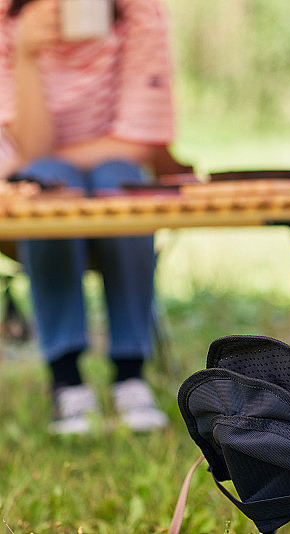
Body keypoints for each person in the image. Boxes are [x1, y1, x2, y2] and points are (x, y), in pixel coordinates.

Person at [0, 0, 174, 434]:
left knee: (118, 180)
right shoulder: (7, 21)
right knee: (49, 184)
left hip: (114, 172)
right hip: (34, 177)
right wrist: (25, 54)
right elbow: (32, 153)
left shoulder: (140, 14)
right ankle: (67, 379)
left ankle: (129, 372)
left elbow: (136, 145)